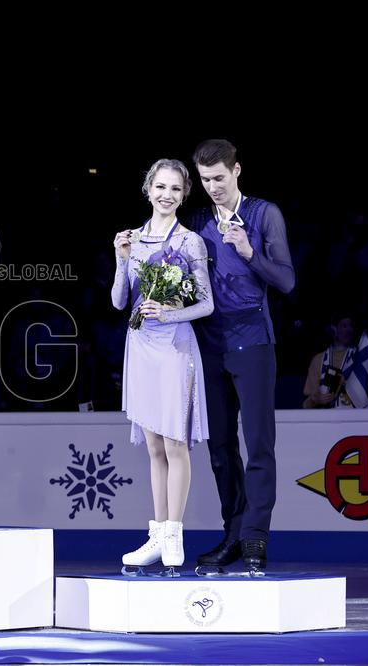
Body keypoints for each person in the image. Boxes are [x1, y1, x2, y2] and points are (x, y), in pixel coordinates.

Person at [188, 139, 295, 574]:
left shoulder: (264, 214)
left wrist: (251, 253)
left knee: (258, 444)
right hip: (209, 345)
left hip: (252, 340)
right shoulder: (196, 220)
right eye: (204, 179)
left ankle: (255, 537)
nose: (212, 186)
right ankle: (232, 532)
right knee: (219, 446)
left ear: (236, 171)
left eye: (218, 177)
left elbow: (286, 280)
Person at [112, 159, 213, 575]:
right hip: (140, 346)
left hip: (174, 347)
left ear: (183, 194)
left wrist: (167, 314)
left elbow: (206, 304)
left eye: (175, 188)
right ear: (148, 188)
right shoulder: (131, 239)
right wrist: (120, 259)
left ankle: (174, 532)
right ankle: (156, 535)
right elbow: (119, 301)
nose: (167, 195)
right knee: (154, 447)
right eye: (160, 186)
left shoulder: (190, 242)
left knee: (175, 444)